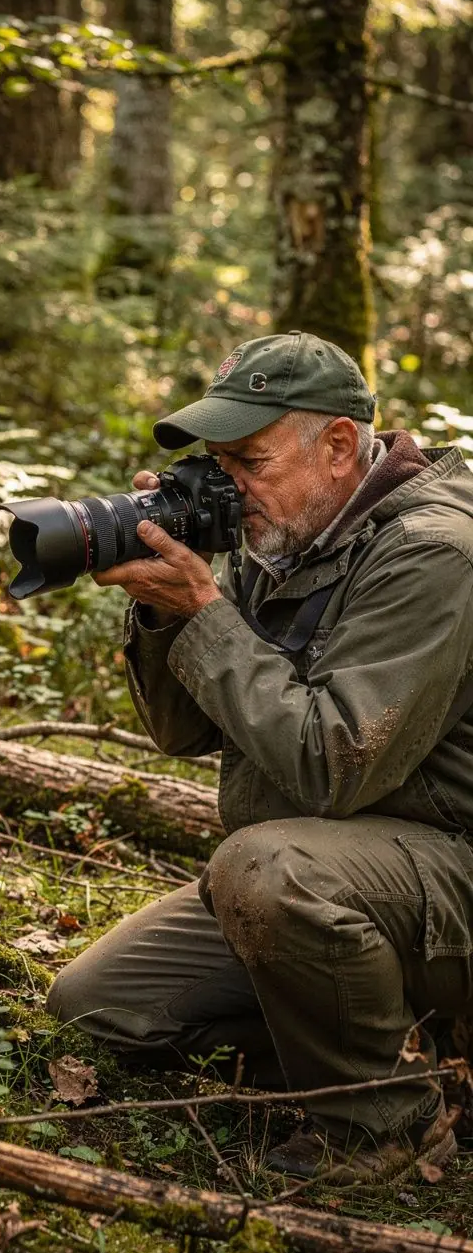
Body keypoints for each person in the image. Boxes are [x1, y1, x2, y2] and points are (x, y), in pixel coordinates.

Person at [47, 330, 473, 1184]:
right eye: (217, 463)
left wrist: (206, 612)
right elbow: (187, 733)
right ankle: (364, 1041)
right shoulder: (289, 533)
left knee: (270, 870)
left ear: (341, 447)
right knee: (97, 1009)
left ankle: (382, 1127)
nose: (227, 487)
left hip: (442, 871)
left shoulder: (435, 551)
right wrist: (168, 610)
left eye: (250, 461)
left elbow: (332, 765)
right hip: (337, 872)